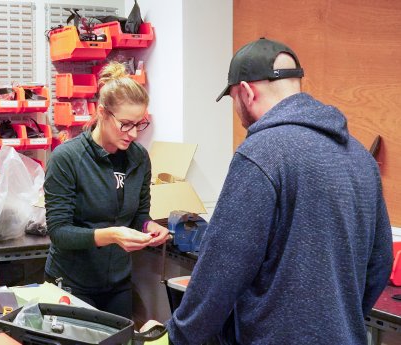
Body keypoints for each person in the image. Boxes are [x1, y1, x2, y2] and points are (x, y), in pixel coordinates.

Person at [162, 38, 393, 344]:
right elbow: (380, 262)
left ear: (246, 91)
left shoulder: (261, 153)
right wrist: (337, 320)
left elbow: (221, 270)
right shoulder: (359, 156)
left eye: (233, 99)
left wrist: (179, 335)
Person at [44, 62, 170, 319]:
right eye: (125, 124)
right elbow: (59, 232)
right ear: (102, 112)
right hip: (71, 283)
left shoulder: (139, 158)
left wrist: (149, 227)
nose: (134, 133)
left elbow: (139, 216)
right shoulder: (67, 158)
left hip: (117, 284)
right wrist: (111, 235)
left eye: (140, 124)